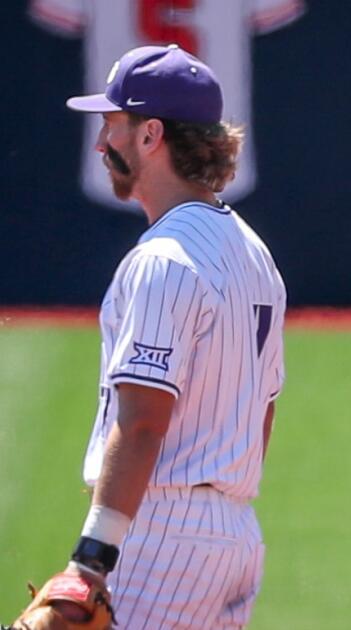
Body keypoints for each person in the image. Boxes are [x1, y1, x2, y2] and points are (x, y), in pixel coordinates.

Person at [45, 44, 285, 629]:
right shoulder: (255, 254)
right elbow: (266, 410)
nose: (103, 143)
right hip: (232, 534)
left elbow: (146, 419)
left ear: (151, 134)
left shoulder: (165, 258)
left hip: (159, 537)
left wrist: (92, 559)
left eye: (113, 125)